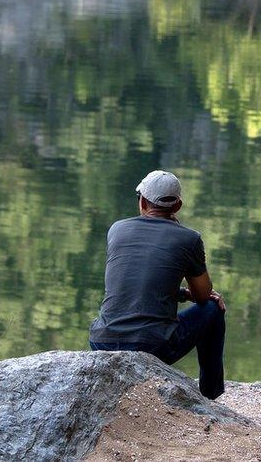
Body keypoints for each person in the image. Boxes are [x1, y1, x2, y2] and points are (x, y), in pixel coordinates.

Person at [89, 170, 226, 399]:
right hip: (153, 347)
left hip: (102, 340)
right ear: (178, 206)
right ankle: (210, 394)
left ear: (142, 201)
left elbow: (134, 282)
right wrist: (187, 293)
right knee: (213, 309)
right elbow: (203, 296)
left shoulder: (117, 229)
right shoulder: (189, 238)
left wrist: (181, 294)